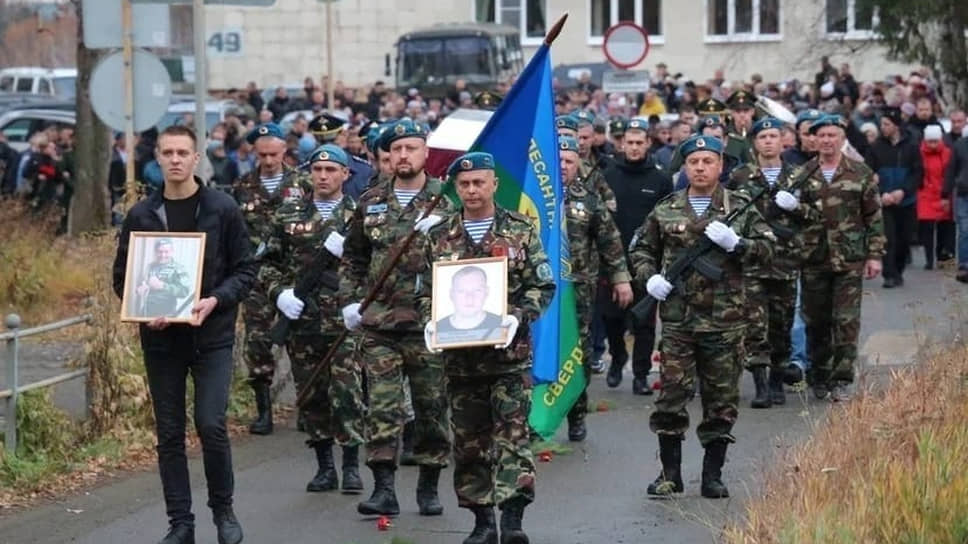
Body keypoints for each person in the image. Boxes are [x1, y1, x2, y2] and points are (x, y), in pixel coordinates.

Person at [112, 125, 254, 544]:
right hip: (161, 341)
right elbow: (124, 277)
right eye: (168, 153)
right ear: (157, 158)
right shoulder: (141, 215)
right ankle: (181, 523)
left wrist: (215, 300)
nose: (175, 159)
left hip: (211, 336)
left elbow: (245, 270)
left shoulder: (222, 208)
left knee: (211, 424)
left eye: (183, 153)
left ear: (196, 158)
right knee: (169, 432)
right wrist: (144, 310)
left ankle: (223, 512)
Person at [418, 151, 555, 544]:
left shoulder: (520, 230)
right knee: (469, 444)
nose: (472, 190)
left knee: (513, 439)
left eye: (479, 182)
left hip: (509, 359)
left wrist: (519, 316)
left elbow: (541, 284)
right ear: (455, 188)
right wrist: (430, 320)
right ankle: (482, 521)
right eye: (464, 184)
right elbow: (423, 292)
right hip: (460, 362)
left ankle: (513, 521)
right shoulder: (438, 234)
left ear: (494, 184)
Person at [629, 134, 774, 499]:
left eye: (708, 161)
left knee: (721, 399)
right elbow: (642, 249)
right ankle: (669, 475)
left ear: (720, 166)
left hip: (726, 322)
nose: (700, 167)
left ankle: (712, 475)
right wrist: (651, 279)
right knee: (671, 398)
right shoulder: (666, 208)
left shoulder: (739, 207)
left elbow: (770, 251)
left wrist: (736, 244)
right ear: (685, 166)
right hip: (679, 321)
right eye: (693, 162)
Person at [338, 118, 452, 517]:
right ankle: (384, 488)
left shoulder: (446, 201)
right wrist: (350, 302)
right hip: (380, 325)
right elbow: (353, 259)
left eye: (411, 148)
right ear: (387, 155)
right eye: (396, 149)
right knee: (383, 409)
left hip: (428, 326)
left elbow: (470, 261)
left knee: (431, 409)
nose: (403, 156)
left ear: (425, 153)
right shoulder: (370, 201)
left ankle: (429, 486)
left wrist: (442, 235)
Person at [258, 143, 365, 495]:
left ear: (345, 175)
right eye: (317, 170)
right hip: (302, 321)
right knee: (311, 394)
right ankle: (324, 467)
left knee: (347, 394)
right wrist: (280, 294)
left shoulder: (359, 216)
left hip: (343, 322)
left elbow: (372, 268)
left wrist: (359, 303)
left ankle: (351, 465)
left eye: (331, 170)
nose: (323, 176)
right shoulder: (287, 213)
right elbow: (266, 263)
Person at [726, 117, 820, 408]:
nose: (768, 141)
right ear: (754, 143)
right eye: (762, 137)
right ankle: (761, 386)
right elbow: (727, 213)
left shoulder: (799, 176)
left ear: (783, 141)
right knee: (755, 326)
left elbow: (817, 216)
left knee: (781, 324)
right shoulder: (740, 176)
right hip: (750, 260)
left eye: (772, 136)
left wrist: (797, 207)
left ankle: (778, 379)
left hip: (786, 260)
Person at [233, 122, 313, 435]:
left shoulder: (303, 183)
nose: (268, 161)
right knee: (258, 342)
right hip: (256, 276)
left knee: (302, 342)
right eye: (262, 155)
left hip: (296, 272)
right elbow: (237, 231)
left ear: (285, 151)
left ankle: (306, 407)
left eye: (273, 154)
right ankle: (263, 409)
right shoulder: (243, 186)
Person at [800, 115, 885, 401]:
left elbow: (873, 216)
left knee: (846, 321)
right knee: (816, 321)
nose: (826, 140)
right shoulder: (802, 174)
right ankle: (819, 376)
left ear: (842, 138)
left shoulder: (859, 173)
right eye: (821, 135)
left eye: (832, 135)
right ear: (814, 139)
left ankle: (842, 379)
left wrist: (875, 256)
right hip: (814, 258)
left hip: (849, 259)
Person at [557, 136, 633, 442]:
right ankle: (533, 417)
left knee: (579, 354)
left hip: (578, 292)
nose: (562, 166)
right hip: (538, 292)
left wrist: (620, 278)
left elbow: (609, 241)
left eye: (568, 161)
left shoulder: (588, 199)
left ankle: (576, 414)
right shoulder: (531, 199)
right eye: (557, 159)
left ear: (579, 164)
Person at [599, 118, 673, 394]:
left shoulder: (660, 179)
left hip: (646, 261)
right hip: (612, 260)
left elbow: (667, 221)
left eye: (639, 143)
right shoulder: (608, 175)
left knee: (644, 322)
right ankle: (617, 358)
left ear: (648, 144)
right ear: (621, 144)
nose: (633, 148)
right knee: (611, 318)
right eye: (629, 142)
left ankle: (641, 374)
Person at [866, 107, 921, 288]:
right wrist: (882, 193)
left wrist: (903, 191)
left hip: (906, 200)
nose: (883, 127)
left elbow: (918, 173)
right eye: (881, 124)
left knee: (904, 240)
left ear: (896, 126)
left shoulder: (911, 146)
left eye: (887, 124)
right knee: (888, 238)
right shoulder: (876, 147)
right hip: (885, 201)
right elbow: (869, 174)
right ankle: (889, 274)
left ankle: (898, 269)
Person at [435, 265, 505, 344]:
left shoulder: (501, 325)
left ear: (487, 292)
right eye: (461, 291)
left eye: (477, 290)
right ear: (451, 294)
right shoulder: (438, 328)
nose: (469, 297)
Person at [917, 125, 955, 269]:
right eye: (930, 141)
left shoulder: (947, 153)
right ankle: (929, 259)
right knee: (927, 228)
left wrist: (945, 190)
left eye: (935, 141)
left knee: (943, 227)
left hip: (942, 193)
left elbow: (949, 173)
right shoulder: (919, 153)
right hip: (925, 193)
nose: (932, 145)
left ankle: (940, 256)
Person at [135, 238, 191, 318]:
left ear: (172, 252)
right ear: (155, 252)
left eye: (166, 252)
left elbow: (184, 291)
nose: (163, 255)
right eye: (160, 252)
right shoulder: (150, 266)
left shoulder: (178, 269)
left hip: (166, 316)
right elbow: (145, 283)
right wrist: (141, 289)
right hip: (146, 313)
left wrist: (163, 286)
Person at [943, 125, 968, 282]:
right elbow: (951, 170)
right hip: (963, 193)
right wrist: (945, 193)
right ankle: (964, 265)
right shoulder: (960, 145)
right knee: (965, 230)